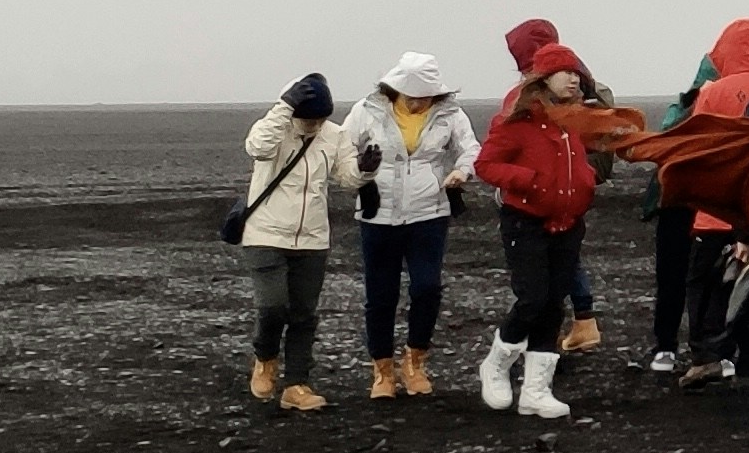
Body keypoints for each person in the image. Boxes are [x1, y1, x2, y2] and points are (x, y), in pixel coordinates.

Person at [473, 46, 608, 420]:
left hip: (568, 223)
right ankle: (497, 365)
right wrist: (527, 181)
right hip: (526, 221)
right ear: (543, 78)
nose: (573, 78)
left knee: (553, 305)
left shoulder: (578, 120)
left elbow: (607, 146)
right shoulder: (518, 122)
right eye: (565, 72)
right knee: (532, 298)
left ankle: (536, 391)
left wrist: (586, 183)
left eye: (577, 73)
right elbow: (485, 164)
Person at [649, 21, 749, 378]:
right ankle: (744, 355)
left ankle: (706, 353)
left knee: (704, 283)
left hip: (713, 211)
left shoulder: (714, 91)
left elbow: (697, 141)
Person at [347, 51, 478, 398]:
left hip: (428, 213)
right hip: (379, 215)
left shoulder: (450, 114)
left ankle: (415, 362)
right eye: (412, 95)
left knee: (427, 288)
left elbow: (471, 149)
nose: (418, 102)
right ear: (395, 89)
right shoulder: (366, 111)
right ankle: (383, 372)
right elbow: (342, 152)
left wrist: (461, 171)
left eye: (425, 96)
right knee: (380, 295)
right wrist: (360, 171)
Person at [237, 73, 361, 413]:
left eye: (320, 118)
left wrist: (365, 169)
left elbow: (347, 176)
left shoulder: (335, 136)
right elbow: (257, 148)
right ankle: (265, 358)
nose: (315, 125)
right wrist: (283, 108)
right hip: (265, 234)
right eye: (308, 118)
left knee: (304, 314)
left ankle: (297, 385)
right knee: (273, 305)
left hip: (312, 238)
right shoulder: (274, 129)